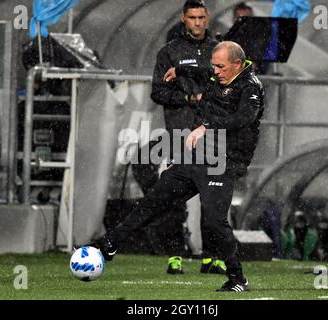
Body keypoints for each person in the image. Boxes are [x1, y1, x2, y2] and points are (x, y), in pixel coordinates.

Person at [89, 41, 265, 292]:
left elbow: (242, 118)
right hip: (195, 156)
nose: (215, 71)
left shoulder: (251, 87)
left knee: (215, 221)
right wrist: (180, 71)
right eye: (214, 65)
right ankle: (109, 244)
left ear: (237, 64)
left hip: (222, 162)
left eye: (220, 66)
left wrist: (207, 127)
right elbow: (203, 71)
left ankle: (238, 278)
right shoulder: (217, 75)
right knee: (154, 201)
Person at [146, 0, 225, 275]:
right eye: (192, 17)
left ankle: (210, 258)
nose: (198, 22)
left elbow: (232, 85)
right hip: (179, 132)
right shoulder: (170, 52)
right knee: (173, 197)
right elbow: (158, 92)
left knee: (212, 197)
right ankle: (174, 257)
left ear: (207, 17)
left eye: (201, 17)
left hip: (213, 133)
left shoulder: (220, 50)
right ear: (184, 18)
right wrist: (191, 97)